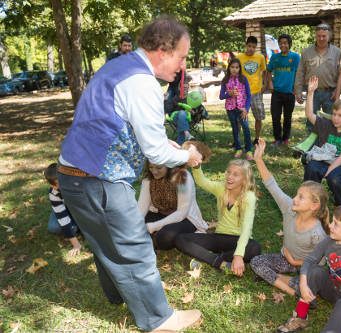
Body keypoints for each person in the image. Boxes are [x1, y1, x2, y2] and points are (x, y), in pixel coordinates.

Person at [56, 17, 203, 332]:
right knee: (135, 246)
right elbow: (156, 153)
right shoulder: (142, 82)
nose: (183, 65)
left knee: (104, 240)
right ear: (162, 51)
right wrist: (187, 155)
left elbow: (126, 126)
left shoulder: (119, 67)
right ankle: (158, 320)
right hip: (98, 181)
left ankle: (118, 295)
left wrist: (167, 143)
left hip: (72, 176)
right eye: (181, 56)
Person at [277, 193, 341, 333]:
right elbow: (310, 260)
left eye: (336, 224)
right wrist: (303, 284)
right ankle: (300, 317)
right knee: (315, 271)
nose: (330, 226)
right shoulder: (329, 241)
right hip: (332, 289)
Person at [251, 138, 327, 295]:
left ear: (314, 206)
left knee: (314, 281)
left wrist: (295, 262)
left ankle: (282, 280)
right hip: (285, 258)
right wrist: (258, 159)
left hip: (305, 266)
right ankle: (292, 290)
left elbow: (321, 262)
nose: (294, 199)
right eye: (296, 195)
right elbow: (272, 185)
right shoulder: (289, 208)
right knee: (256, 262)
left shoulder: (317, 233)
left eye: (301, 197)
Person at [175, 159, 261, 277]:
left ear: (245, 179)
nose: (230, 176)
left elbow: (246, 229)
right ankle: (220, 262)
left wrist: (238, 255)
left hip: (238, 240)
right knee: (181, 239)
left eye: (235, 174)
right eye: (228, 172)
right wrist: (196, 167)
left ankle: (211, 258)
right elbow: (202, 182)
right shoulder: (221, 188)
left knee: (255, 248)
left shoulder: (249, 197)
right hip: (219, 237)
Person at [303, 76, 341, 206]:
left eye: (340, 116)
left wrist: (328, 172)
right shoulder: (327, 125)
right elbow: (309, 115)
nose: (335, 118)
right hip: (325, 159)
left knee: (334, 179)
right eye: (334, 114)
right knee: (312, 167)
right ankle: (309, 199)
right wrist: (311, 92)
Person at [139, 158, 208, 251]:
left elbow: (182, 213)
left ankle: (156, 238)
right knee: (135, 223)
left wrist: (153, 226)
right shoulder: (148, 180)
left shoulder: (182, 177)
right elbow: (141, 208)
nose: (154, 171)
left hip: (185, 219)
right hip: (160, 214)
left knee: (165, 237)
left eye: (159, 168)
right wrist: (135, 225)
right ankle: (151, 239)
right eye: (151, 167)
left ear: (169, 165)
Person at [294, 23, 341, 131]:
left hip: (330, 93)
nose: (321, 38)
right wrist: (298, 91)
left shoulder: (337, 53)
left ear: (329, 36)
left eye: (324, 36)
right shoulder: (306, 52)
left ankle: (328, 145)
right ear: (315, 36)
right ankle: (312, 146)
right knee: (312, 122)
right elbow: (300, 73)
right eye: (318, 36)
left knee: (331, 121)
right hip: (312, 93)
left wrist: (338, 92)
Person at [267, 34, 300, 146]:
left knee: (287, 117)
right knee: (275, 117)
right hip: (276, 92)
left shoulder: (295, 57)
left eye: (285, 43)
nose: (283, 45)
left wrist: (297, 88)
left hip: (290, 93)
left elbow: (299, 73)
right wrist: (270, 82)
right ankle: (277, 139)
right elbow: (268, 71)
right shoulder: (274, 57)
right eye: (281, 43)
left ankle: (285, 139)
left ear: (289, 44)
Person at [44, 163, 82, 256]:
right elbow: (63, 219)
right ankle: (75, 227)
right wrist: (76, 245)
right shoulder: (54, 193)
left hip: (80, 208)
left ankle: (79, 225)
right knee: (54, 227)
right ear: (53, 186)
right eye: (58, 185)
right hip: (65, 209)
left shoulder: (78, 182)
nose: (64, 186)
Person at [219, 58, 253, 160]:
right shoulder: (225, 80)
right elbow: (221, 96)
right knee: (235, 128)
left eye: (237, 67)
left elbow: (249, 95)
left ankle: (249, 150)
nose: (234, 69)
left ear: (240, 68)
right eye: (232, 67)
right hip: (230, 109)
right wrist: (228, 94)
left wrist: (246, 109)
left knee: (246, 128)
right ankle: (238, 148)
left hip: (242, 109)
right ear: (229, 68)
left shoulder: (243, 79)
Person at [237, 36, 267, 145]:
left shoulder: (260, 58)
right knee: (240, 117)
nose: (251, 49)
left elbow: (264, 71)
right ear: (246, 45)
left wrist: (265, 84)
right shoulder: (239, 57)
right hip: (242, 93)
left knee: (258, 116)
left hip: (256, 92)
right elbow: (235, 72)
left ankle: (257, 138)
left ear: (256, 47)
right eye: (249, 46)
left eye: (253, 47)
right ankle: (238, 139)